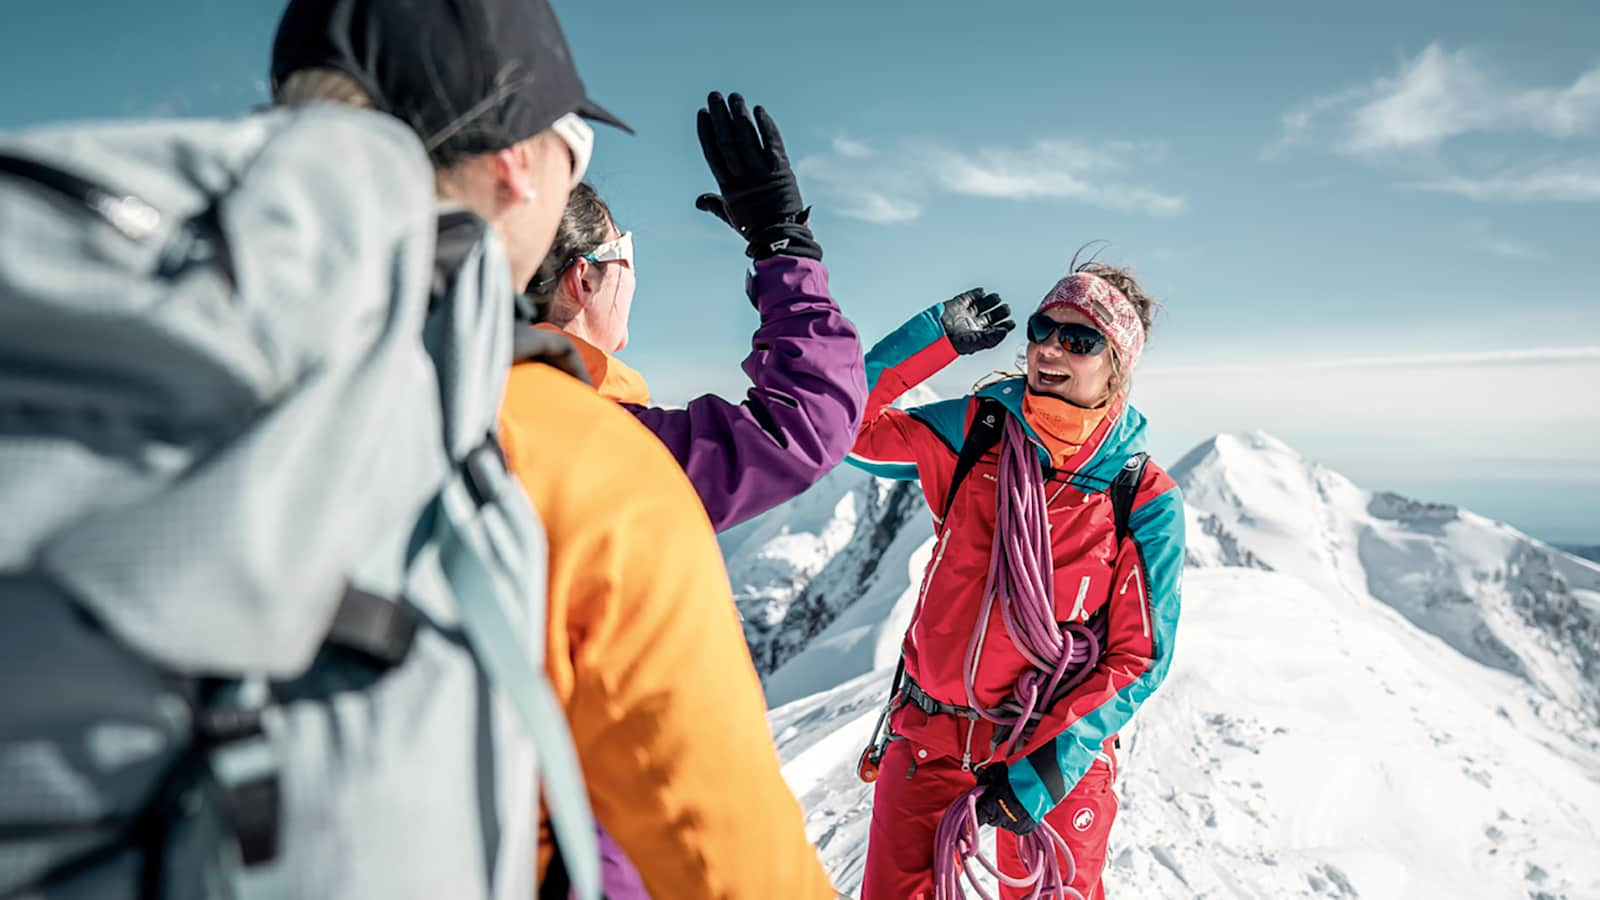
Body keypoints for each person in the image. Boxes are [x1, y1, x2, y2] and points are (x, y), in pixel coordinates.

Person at [270, 2, 836, 897]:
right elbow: (729, 857)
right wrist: (782, 243)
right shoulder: (587, 454)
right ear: (515, 164)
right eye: (570, 144)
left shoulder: (229, 383)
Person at [846, 260, 1187, 899]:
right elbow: (837, 428)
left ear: (1116, 366)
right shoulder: (978, 432)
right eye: (1042, 329)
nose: (1051, 347)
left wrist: (1039, 777)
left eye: (1079, 340)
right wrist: (932, 337)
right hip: (929, 736)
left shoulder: (1140, 497)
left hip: (1049, 751)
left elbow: (1139, 657)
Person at [523, 93, 867, 533]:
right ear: (583, 280)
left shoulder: (481, 403)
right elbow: (807, 423)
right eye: (624, 250)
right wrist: (783, 246)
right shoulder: (585, 442)